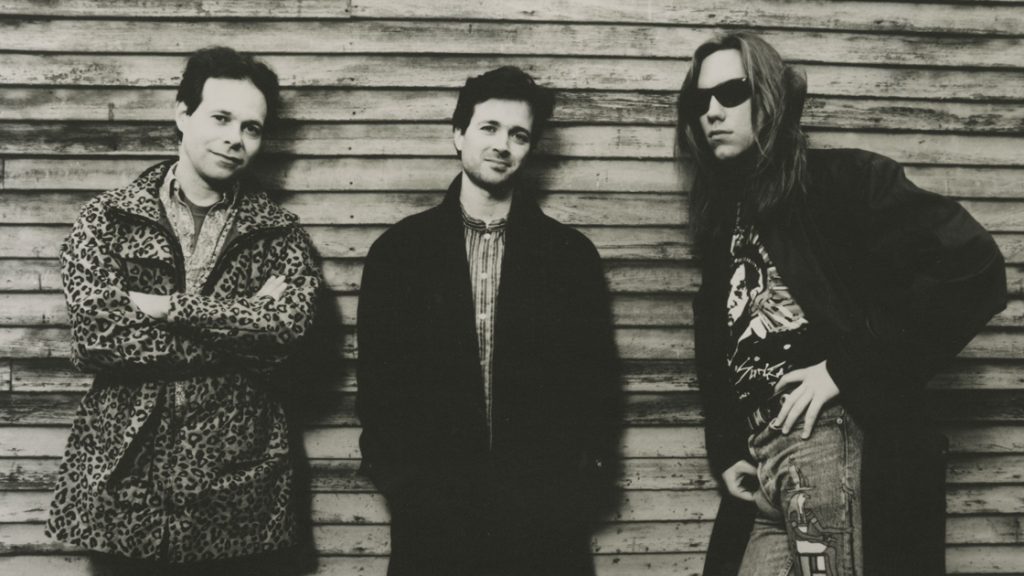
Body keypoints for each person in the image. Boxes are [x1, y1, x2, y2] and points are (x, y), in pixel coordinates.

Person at [676, 32, 1007, 576]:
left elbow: (973, 268)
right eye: (699, 100)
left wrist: (841, 369)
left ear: (771, 97)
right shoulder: (724, 224)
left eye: (732, 92)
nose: (711, 111)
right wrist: (729, 447)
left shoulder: (843, 182)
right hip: (764, 462)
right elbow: (721, 347)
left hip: (830, 441)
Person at [46, 46, 322, 575]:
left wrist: (170, 308)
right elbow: (97, 338)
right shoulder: (107, 219)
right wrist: (240, 326)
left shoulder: (280, 234)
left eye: (251, 127)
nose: (234, 139)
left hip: (238, 496)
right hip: (126, 487)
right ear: (182, 112)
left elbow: (286, 338)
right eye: (220, 117)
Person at [356, 66, 620, 576]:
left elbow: (597, 383)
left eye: (518, 134)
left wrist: (577, 485)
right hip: (433, 521)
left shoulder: (569, 256)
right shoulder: (399, 253)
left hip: (543, 522)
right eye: (489, 128)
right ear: (458, 134)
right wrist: (405, 486)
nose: (503, 144)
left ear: (530, 149)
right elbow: (378, 387)